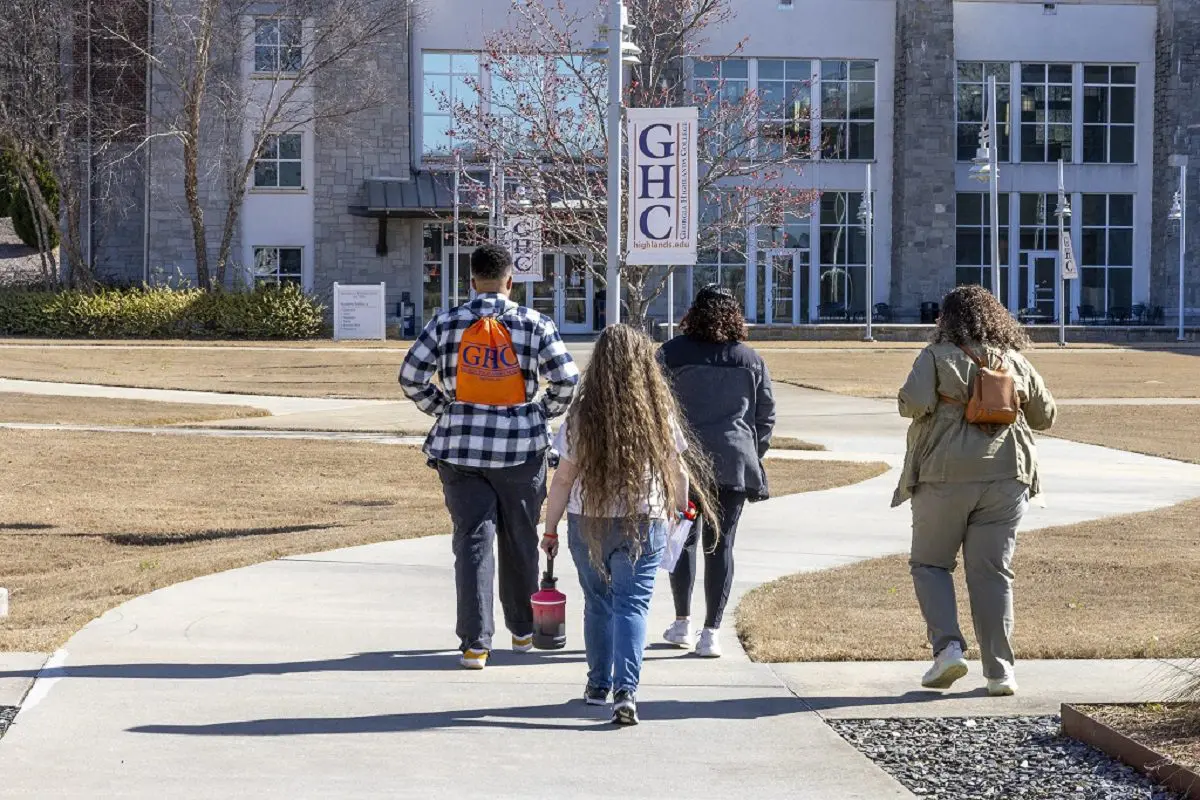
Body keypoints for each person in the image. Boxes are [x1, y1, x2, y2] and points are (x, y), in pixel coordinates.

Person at [400, 243, 579, 670]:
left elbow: (411, 377)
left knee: (472, 541)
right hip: (521, 453)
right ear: (510, 281)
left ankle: (475, 643)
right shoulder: (535, 324)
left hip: (460, 451)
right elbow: (567, 381)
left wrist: (446, 408)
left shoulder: (445, 323)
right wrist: (536, 413)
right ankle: (521, 630)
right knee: (520, 539)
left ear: (471, 281)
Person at [540, 324, 715, 725]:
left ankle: (597, 684)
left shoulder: (582, 415)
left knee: (597, 603)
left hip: (588, 520)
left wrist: (549, 531)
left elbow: (563, 478)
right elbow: (678, 471)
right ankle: (627, 691)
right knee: (632, 605)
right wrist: (677, 509)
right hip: (645, 519)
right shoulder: (657, 412)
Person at [894, 285, 1057, 697]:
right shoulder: (1016, 360)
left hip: (943, 475)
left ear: (945, 319)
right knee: (993, 575)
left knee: (931, 564)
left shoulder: (935, 356)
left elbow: (911, 403)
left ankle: (948, 649)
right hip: (1007, 477)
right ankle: (1000, 671)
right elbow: (1045, 416)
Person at [658, 284, 776, 658]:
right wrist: (753, 452)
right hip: (734, 461)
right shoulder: (749, 359)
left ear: (695, 311)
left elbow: (655, 406)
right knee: (721, 545)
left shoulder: (671, 353)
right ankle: (712, 632)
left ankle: (683, 621)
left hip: (684, 460)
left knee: (682, 540)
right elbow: (765, 414)